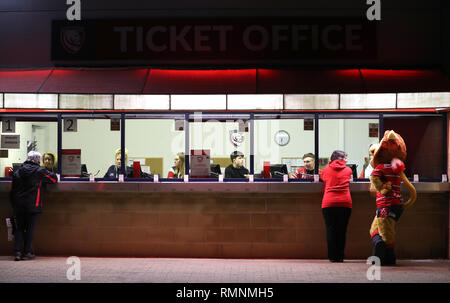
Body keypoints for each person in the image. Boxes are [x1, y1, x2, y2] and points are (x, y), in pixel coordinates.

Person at [10, 151, 58, 261]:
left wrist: (14, 203)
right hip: (33, 205)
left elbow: (13, 189)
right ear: (38, 160)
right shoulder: (40, 171)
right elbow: (53, 179)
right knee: (30, 229)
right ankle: (26, 252)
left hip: (18, 205)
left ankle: (17, 252)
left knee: (19, 228)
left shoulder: (18, 171)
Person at [320, 150, 353, 263]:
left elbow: (323, 179)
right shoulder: (348, 170)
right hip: (345, 203)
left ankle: (332, 257)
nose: (347, 160)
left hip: (328, 203)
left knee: (330, 230)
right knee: (342, 230)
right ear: (340, 158)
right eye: (345, 158)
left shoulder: (325, 170)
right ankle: (340, 256)